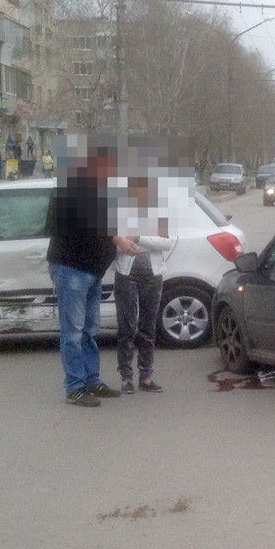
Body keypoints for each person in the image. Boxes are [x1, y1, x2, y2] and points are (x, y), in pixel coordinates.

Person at [46, 144, 121, 408]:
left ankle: (92, 380)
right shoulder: (66, 194)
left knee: (90, 330)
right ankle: (75, 387)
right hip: (72, 268)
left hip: (93, 271)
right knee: (73, 332)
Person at [112, 176, 174, 395]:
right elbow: (116, 244)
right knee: (127, 327)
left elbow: (167, 242)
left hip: (153, 275)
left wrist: (137, 237)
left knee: (148, 327)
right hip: (125, 275)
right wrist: (130, 241)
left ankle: (146, 376)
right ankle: (126, 377)